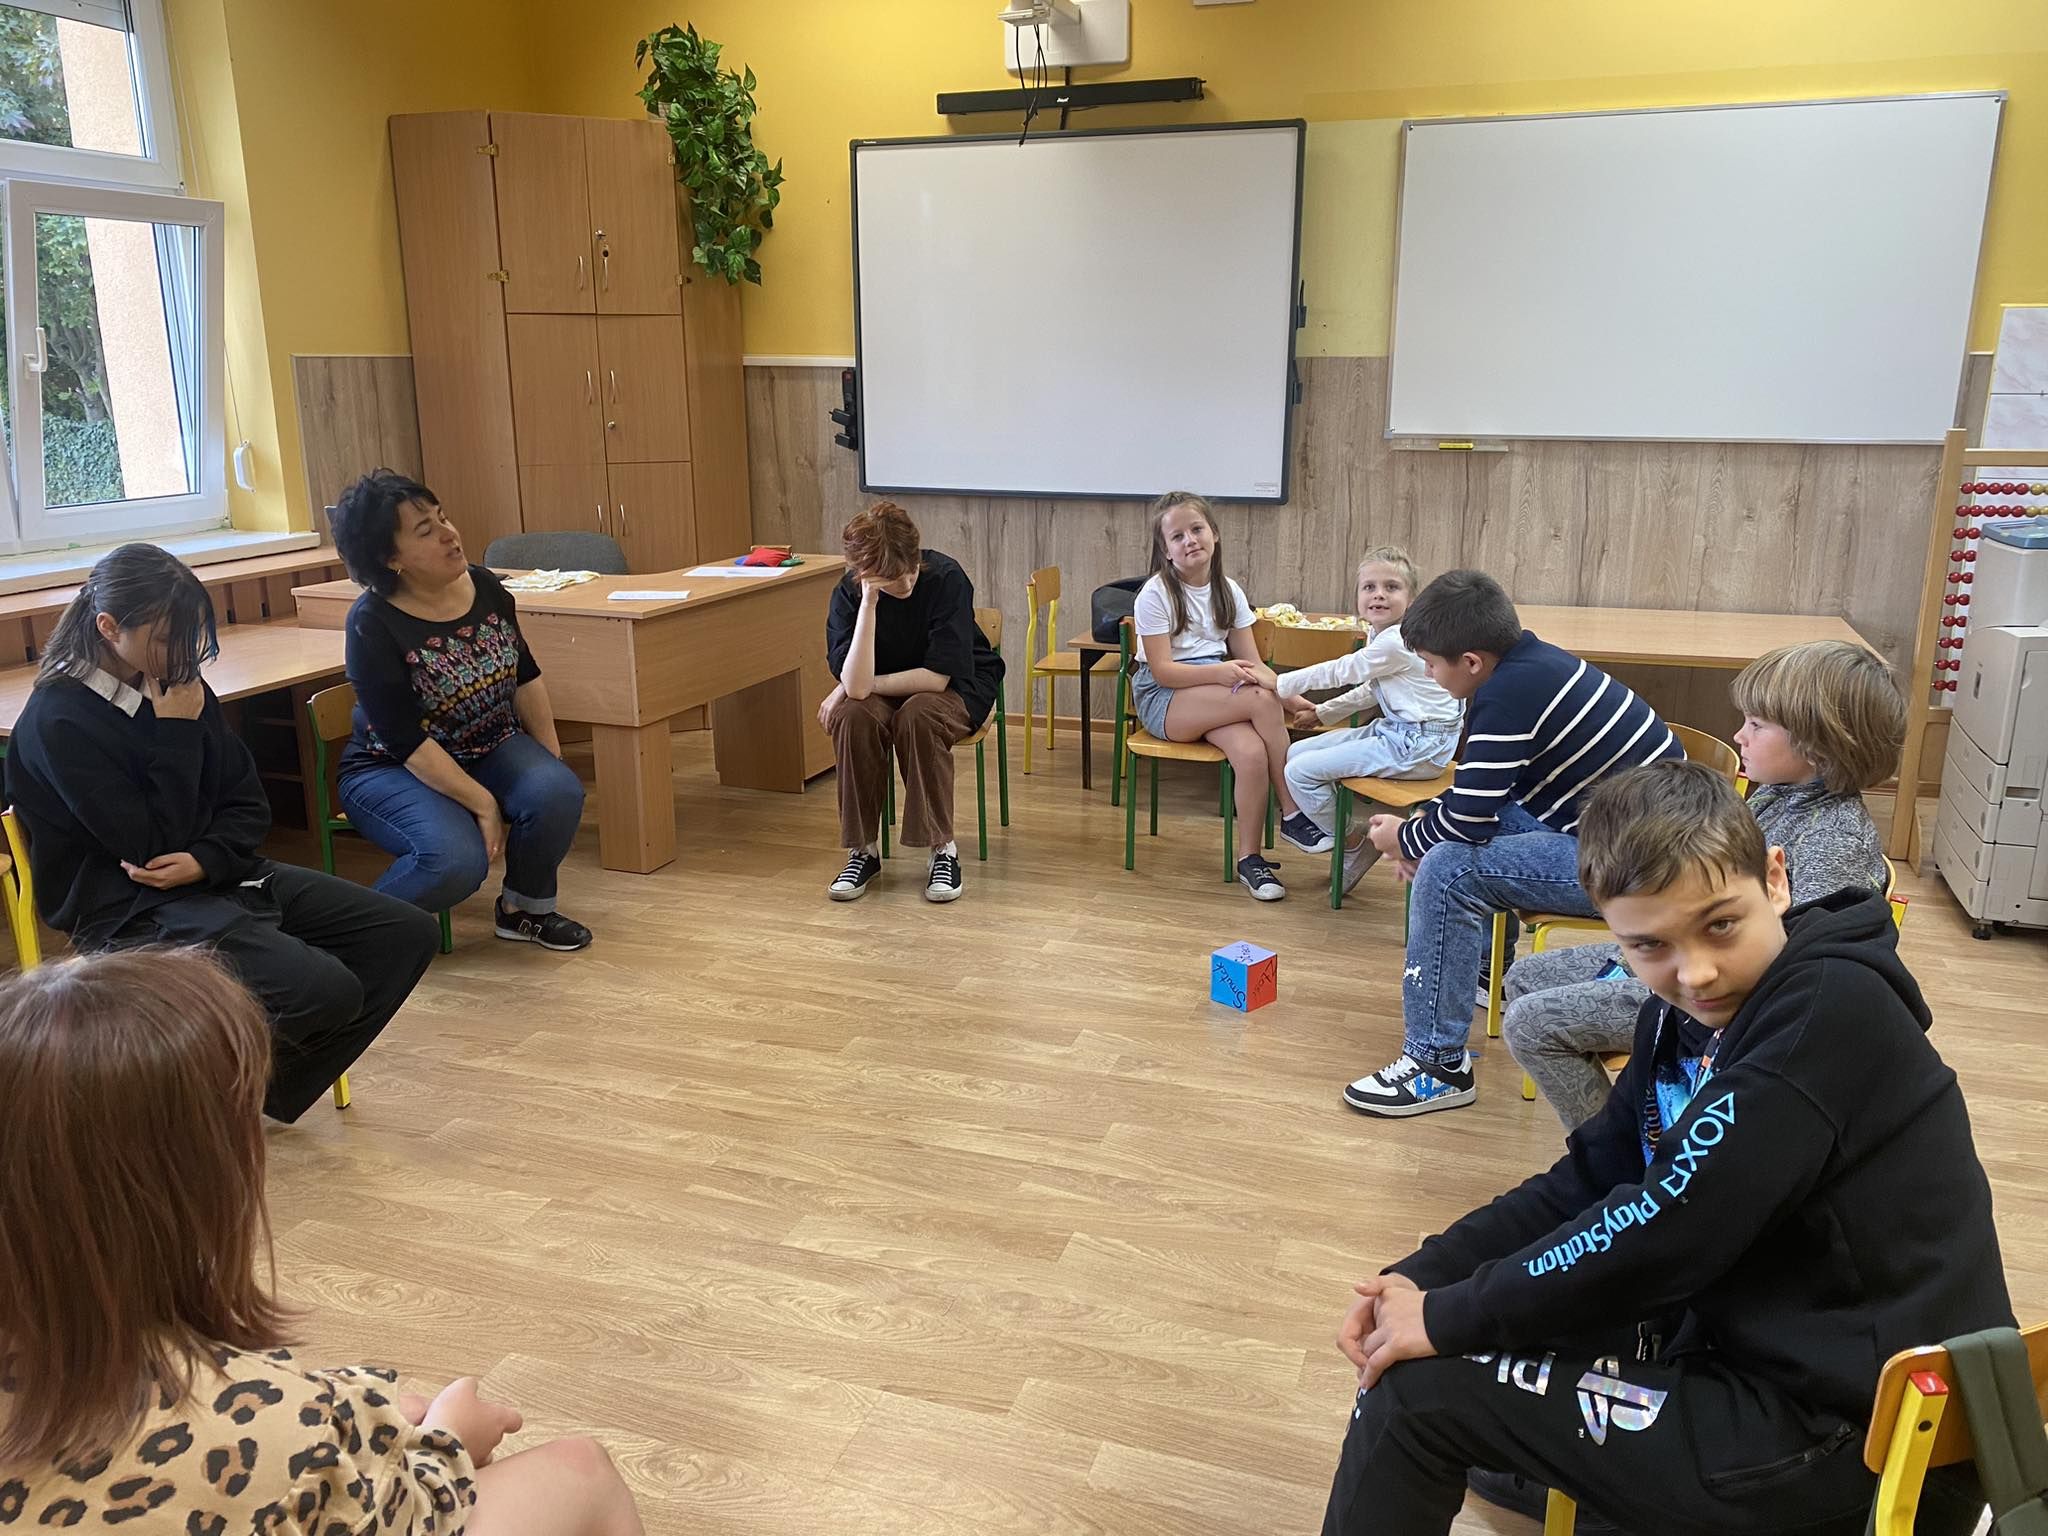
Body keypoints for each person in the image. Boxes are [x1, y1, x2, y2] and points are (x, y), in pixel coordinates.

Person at [1320, 761, 2012, 1536]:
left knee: (1416, 1396)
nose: (1697, 972)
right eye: (1650, 946)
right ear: (1616, 939)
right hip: (1758, 1355)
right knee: (1469, 1355)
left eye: (1721, 925)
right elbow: (1590, 1179)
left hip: (1863, 1447)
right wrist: (1422, 1274)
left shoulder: (1827, 1012)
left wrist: (1446, 1316)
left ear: (1775, 879)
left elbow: (1666, 1233)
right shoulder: (1682, 1016)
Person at [0, 947, 646, 1535]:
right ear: (206, 1182)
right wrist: (451, 1438)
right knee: (579, 1467)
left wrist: (366, 1417)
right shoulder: (269, 1425)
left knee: (395, 1411)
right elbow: (407, 1513)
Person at [1, 542, 437, 1123]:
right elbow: (150, 847)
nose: (184, 653)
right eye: (166, 638)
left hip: (216, 875)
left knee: (405, 934)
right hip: (127, 907)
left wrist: (207, 857)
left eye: (189, 636)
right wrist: (176, 736)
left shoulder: (177, 685)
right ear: (108, 628)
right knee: (326, 991)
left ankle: (261, 1089)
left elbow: (248, 804)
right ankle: (202, 1097)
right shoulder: (59, 720)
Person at [1506, 639, 1907, 1128]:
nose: (1739, 736)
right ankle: (1634, 1120)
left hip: (1725, 993)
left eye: (1756, 724)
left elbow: (1803, 973)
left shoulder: (1835, 840)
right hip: (1692, 953)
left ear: (1818, 745)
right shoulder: (1776, 796)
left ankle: (1624, 1149)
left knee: (1531, 1023)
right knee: (1523, 978)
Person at [1344, 571, 1682, 1117]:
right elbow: (1484, 795)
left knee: (1449, 870)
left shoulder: (1504, 697)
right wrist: (1423, 827)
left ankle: (1436, 1065)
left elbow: (1469, 819)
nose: (1427, 674)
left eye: (1430, 664)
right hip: (1638, 838)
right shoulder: (1531, 663)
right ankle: (1480, 974)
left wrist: (1404, 839)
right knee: (1446, 840)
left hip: (1642, 869)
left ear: (1471, 662)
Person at [330, 469, 592, 952]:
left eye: (443, 517)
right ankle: (348, 937)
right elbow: (405, 741)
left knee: (557, 791)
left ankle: (523, 911)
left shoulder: (484, 585)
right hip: (393, 767)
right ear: (390, 558)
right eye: (425, 531)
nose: (449, 534)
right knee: (455, 862)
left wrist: (551, 759)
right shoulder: (371, 623)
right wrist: (483, 803)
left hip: (488, 744)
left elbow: (525, 675)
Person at [819, 502, 1004, 904]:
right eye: (889, 577)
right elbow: (856, 689)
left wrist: (855, 686)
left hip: (955, 685)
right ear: (864, 573)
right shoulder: (849, 595)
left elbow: (936, 678)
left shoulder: (946, 578)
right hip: (884, 689)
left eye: (910, 569)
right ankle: (862, 850)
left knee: (918, 715)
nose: (904, 582)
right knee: (852, 717)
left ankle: (943, 849)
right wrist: (869, 604)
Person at [1129, 490, 1306, 901]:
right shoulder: (1155, 594)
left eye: (1197, 529)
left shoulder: (1228, 590)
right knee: (1258, 699)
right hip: (1164, 697)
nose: (1190, 540)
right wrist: (1222, 673)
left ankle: (1250, 860)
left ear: (1215, 534)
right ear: (1166, 551)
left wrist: (1292, 698)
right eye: (1177, 536)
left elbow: (1254, 665)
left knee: (1251, 753)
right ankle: (1294, 810)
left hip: (1214, 692)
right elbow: (1163, 671)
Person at [1273, 547, 1462, 895]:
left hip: (1420, 744)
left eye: (1391, 587)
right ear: (1358, 597)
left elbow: (1344, 671)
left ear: (1412, 600)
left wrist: (1280, 684)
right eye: (1369, 587)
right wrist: (1324, 712)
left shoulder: (1399, 640)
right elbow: (1374, 689)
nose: (1378, 594)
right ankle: (1353, 838)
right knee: (1295, 755)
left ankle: (1352, 841)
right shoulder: (1384, 635)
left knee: (1298, 773)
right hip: (1400, 732)